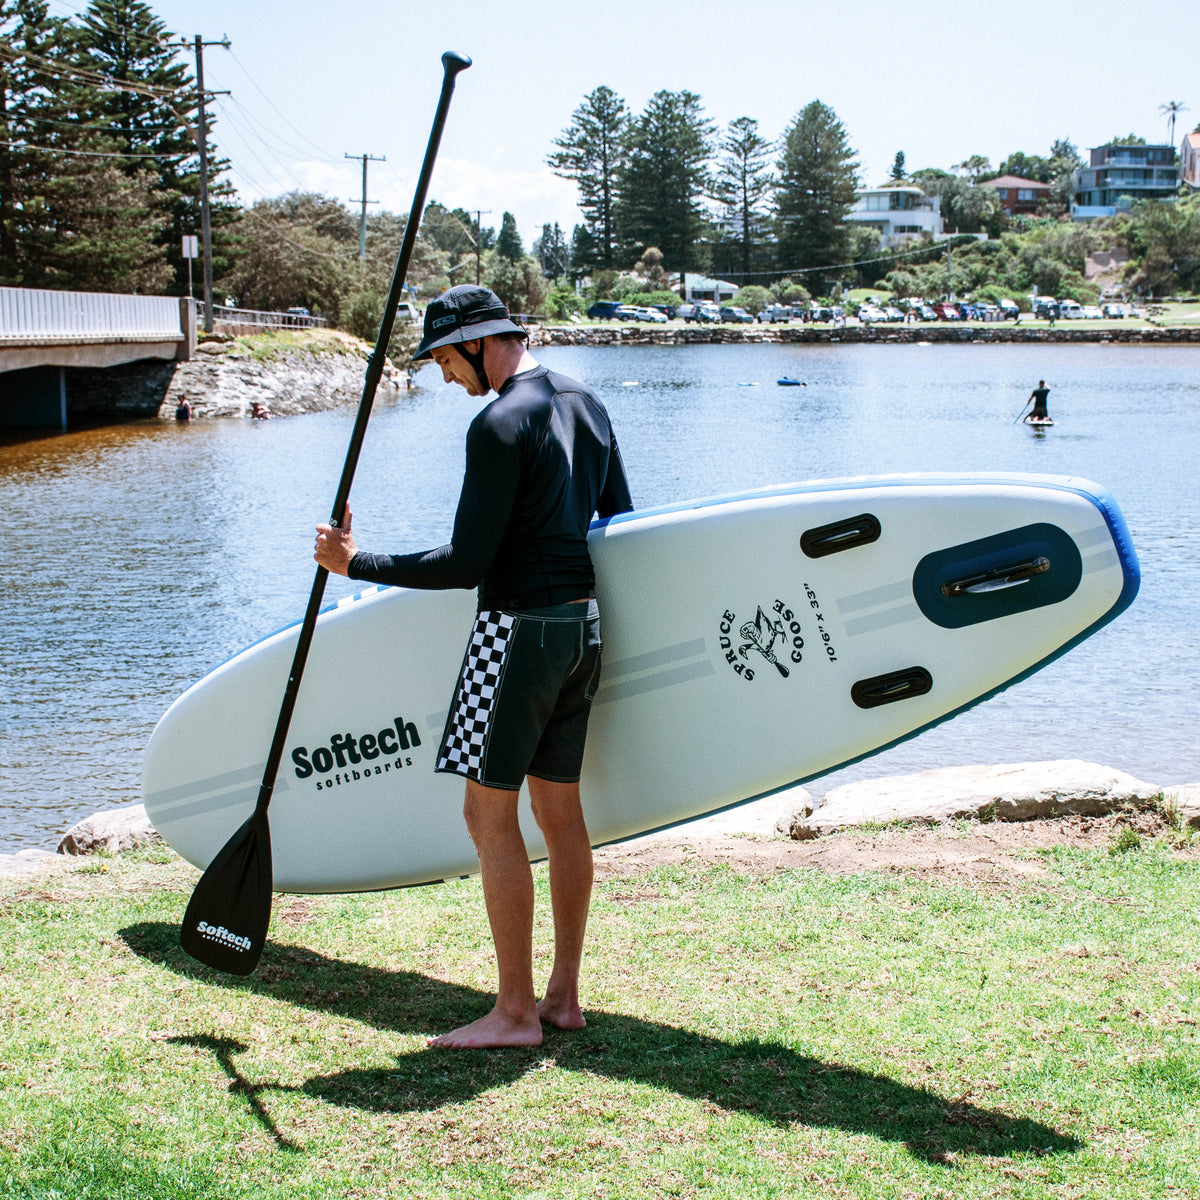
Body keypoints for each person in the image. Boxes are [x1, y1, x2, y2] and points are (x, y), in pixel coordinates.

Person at [313, 284, 633, 1049]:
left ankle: (515, 1014)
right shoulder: (586, 400)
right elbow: (615, 514)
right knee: (560, 812)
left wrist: (355, 563)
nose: (447, 379)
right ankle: (562, 998)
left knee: (486, 814)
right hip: (582, 627)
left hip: (514, 632)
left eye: (447, 362)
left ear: (481, 345)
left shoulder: (497, 424)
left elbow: (466, 563)